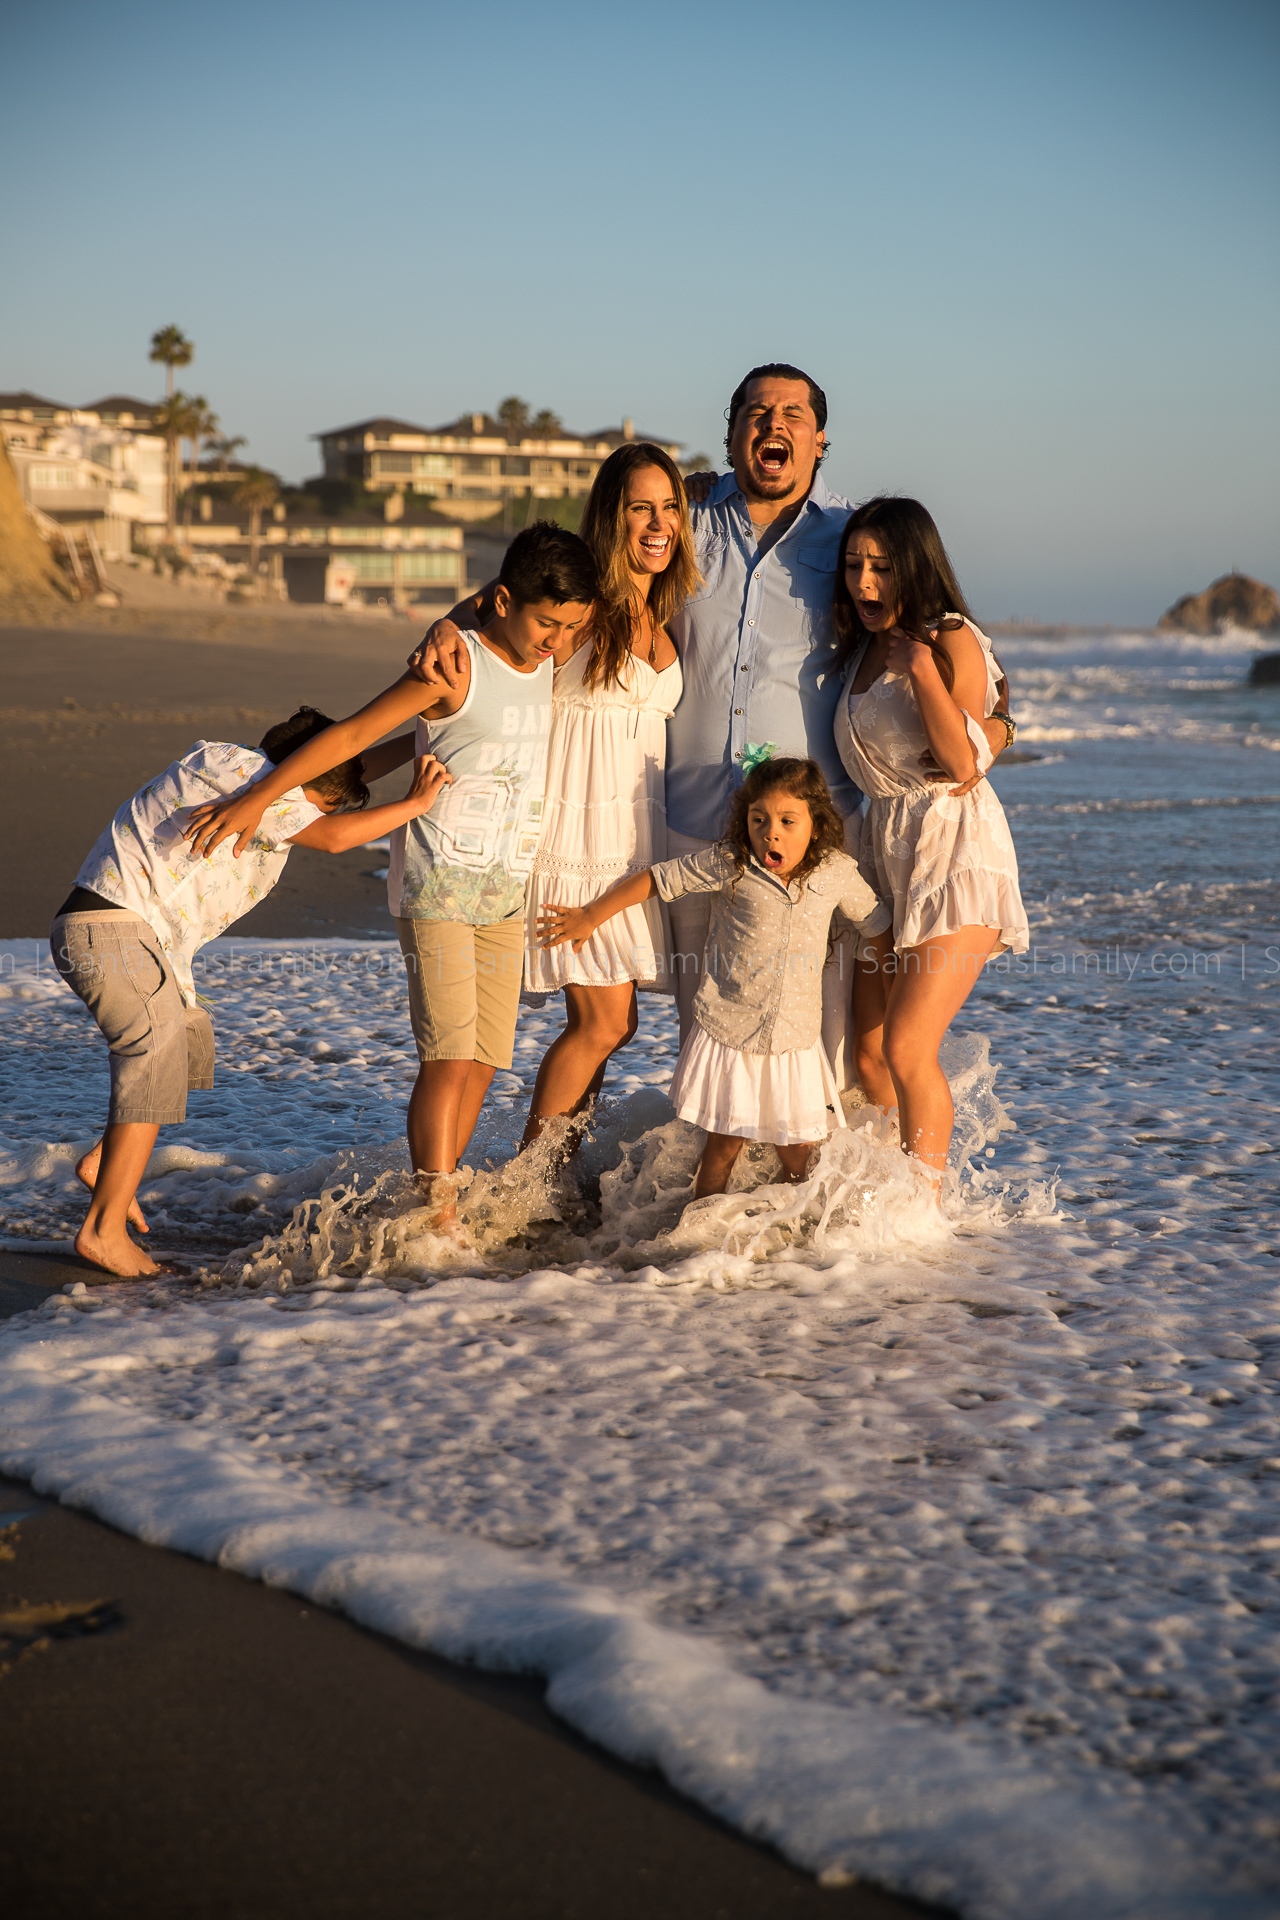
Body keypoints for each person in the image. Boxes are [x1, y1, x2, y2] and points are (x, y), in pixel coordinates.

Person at [182, 522, 598, 1236]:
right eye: (548, 623)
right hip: (439, 888)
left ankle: (446, 1194)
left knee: (485, 1061)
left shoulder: (545, 664)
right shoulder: (455, 666)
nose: (558, 640)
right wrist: (256, 799)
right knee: (446, 1055)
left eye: (570, 628)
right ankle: (434, 1214)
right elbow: (350, 737)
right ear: (502, 600)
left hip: (504, 893)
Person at [664, 364, 1014, 1075]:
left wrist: (998, 731)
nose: (775, 424)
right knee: (706, 1037)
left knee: (817, 1046)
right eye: (757, 412)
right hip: (692, 816)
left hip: (820, 834)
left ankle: (824, 1187)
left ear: (821, 440)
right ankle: (712, 1186)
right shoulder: (683, 523)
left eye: (795, 414)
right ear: (730, 436)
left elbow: (955, 652)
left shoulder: (853, 538)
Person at [52, 709, 449, 1279]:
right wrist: (415, 803)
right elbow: (335, 836)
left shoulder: (234, 767)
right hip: (111, 931)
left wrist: (424, 736)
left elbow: (343, 766)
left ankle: (105, 1163)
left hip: (128, 935)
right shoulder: (256, 783)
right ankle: (102, 1230)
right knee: (153, 1057)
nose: (318, 816)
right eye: (328, 800)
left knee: (183, 1047)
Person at [537, 755, 891, 1198]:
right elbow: (659, 879)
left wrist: (895, 979)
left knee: (798, 1145)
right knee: (725, 1142)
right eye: (758, 819)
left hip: (794, 1039)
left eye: (787, 820)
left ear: (816, 825)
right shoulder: (734, 863)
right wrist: (591, 915)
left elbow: (876, 922)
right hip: (732, 1030)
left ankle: (799, 1229)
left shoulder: (835, 872)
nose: (771, 832)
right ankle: (700, 1224)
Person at [831, 496, 1029, 1177]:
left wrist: (918, 669)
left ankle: (922, 1215)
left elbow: (965, 761)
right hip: (882, 858)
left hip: (954, 854)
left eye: (882, 568)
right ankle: (885, 1187)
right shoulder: (858, 646)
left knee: (909, 1048)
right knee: (868, 1053)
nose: (864, 584)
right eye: (854, 565)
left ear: (915, 567)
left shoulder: (950, 638)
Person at [518, 444, 697, 1148]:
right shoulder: (582, 606)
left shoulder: (665, 611)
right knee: (603, 1023)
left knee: (602, 1025)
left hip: (631, 842)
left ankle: (557, 1176)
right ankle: (531, 1181)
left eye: (670, 507)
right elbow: (501, 629)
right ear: (611, 515)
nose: (658, 523)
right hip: (575, 841)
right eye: (639, 508)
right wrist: (448, 627)